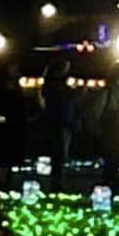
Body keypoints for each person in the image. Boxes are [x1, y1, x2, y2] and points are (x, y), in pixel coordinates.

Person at [40, 56, 76, 193]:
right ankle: (57, 184)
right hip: (60, 122)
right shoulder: (57, 86)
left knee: (59, 155)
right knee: (59, 155)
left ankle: (57, 182)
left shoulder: (51, 85)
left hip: (61, 122)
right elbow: (63, 102)